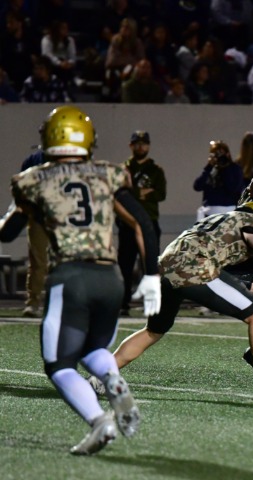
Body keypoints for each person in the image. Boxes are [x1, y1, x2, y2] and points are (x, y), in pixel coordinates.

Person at [0, 105, 162, 455]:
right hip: (110, 278)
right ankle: (112, 378)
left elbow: (8, 232)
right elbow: (143, 223)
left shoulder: (34, 178)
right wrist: (151, 275)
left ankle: (99, 421)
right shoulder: (108, 173)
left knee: (59, 365)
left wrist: (14, 213)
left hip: (71, 277)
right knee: (91, 349)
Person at [89, 202, 253, 401]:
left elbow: (217, 265)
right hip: (194, 268)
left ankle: (100, 376)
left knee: (153, 331)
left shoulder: (217, 222)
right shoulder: (250, 222)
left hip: (163, 269)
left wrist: (246, 289)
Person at [118, 130, 166, 316]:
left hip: (149, 223)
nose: (140, 147)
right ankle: (123, 303)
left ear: (148, 146)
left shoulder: (155, 170)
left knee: (151, 264)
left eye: (144, 143)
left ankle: (153, 304)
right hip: (128, 223)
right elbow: (120, 193)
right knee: (125, 264)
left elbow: (160, 194)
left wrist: (134, 193)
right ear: (131, 146)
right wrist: (143, 192)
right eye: (137, 143)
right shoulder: (123, 168)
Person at [20, 148, 47, 317]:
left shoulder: (74, 157)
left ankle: (70, 302)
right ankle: (33, 301)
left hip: (66, 218)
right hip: (40, 216)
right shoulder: (34, 159)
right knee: (38, 261)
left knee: (69, 262)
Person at [193, 139, 245, 220]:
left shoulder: (234, 169)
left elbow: (233, 188)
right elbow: (197, 186)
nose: (219, 157)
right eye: (216, 155)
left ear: (228, 154)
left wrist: (225, 168)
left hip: (229, 209)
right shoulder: (210, 170)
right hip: (209, 210)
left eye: (221, 154)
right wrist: (208, 167)